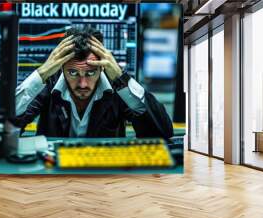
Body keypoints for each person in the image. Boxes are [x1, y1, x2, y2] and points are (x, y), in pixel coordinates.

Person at [13, 26, 173, 139]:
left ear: (102, 67)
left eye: (91, 72)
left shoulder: (118, 87)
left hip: (104, 176)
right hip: (53, 173)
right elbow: (7, 128)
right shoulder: (48, 84)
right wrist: (41, 74)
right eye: (73, 72)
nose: (83, 84)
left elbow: (162, 132)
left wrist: (121, 78)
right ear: (61, 67)